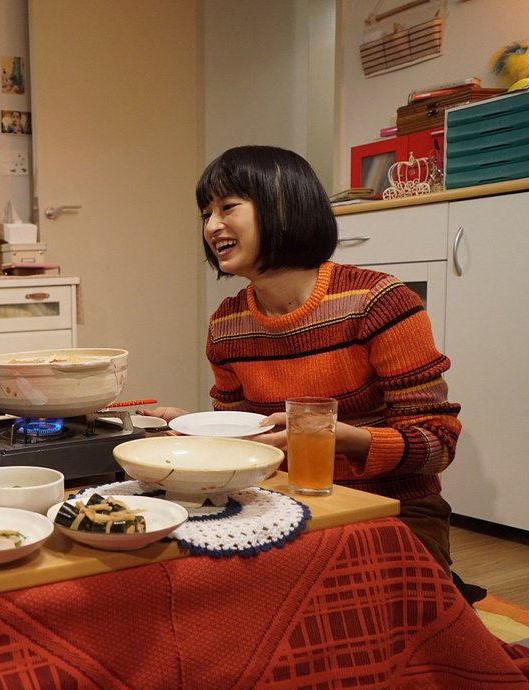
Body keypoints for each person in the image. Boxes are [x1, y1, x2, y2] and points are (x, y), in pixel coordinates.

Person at [145, 145, 477, 600]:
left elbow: (437, 444)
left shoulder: (378, 301)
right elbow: (245, 444)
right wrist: (189, 432)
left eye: (227, 207)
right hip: (280, 504)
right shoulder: (227, 323)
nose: (212, 226)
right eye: (206, 214)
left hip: (391, 508)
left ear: (283, 206)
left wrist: (330, 435)